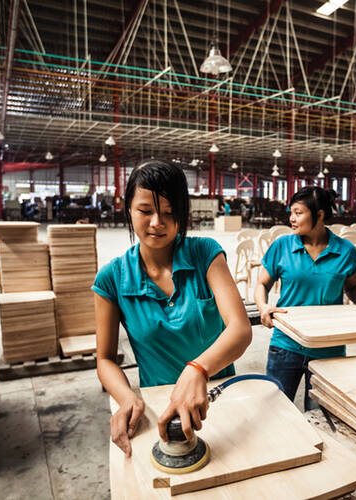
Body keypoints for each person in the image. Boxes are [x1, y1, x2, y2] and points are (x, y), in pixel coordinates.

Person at [93, 159, 252, 457]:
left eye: (169, 212)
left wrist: (198, 369)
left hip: (220, 395)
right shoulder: (112, 278)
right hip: (161, 404)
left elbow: (240, 329)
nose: (157, 223)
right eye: (146, 211)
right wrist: (127, 398)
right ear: (128, 207)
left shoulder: (205, 255)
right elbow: (105, 359)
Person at [253, 186, 356, 410]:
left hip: (329, 348)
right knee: (277, 411)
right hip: (286, 344)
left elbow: (353, 286)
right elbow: (262, 283)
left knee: (322, 416)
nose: (291, 219)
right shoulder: (282, 246)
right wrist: (263, 306)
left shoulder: (345, 251)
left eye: (298, 213)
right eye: (291, 213)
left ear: (319, 215)